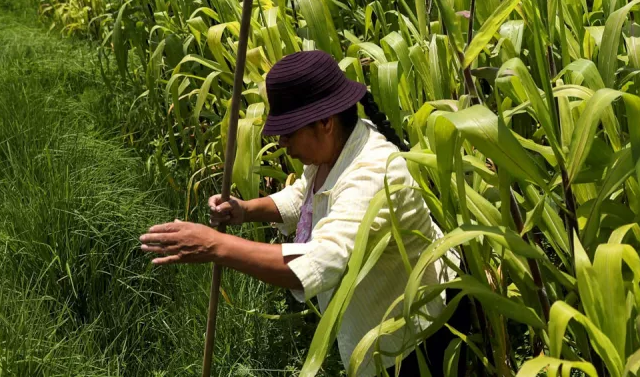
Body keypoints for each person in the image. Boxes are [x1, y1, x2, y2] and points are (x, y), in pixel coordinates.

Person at [139, 50, 464, 377]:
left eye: (289, 131)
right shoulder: (337, 146)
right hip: (376, 322)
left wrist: (216, 247)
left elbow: (320, 262)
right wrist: (245, 210)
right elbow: (305, 197)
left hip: (414, 339)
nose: (281, 142)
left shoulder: (373, 174)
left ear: (325, 122)